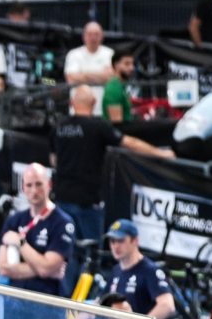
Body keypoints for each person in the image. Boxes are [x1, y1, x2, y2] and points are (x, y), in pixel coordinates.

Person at [51, 86, 172, 247]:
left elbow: (54, 161)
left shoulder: (57, 127)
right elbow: (129, 143)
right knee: (91, 252)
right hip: (88, 200)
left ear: (72, 103)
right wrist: (159, 153)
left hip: (62, 197)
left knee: (64, 249)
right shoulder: (98, 126)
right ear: (94, 103)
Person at [0, 163, 76, 319]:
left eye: (39, 184)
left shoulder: (62, 223)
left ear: (49, 186)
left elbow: (47, 267)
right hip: (16, 308)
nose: (34, 190)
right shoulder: (14, 221)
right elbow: (4, 268)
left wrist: (22, 246)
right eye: (29, 185)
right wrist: (43, 268)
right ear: (23, 188)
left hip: (47, 310)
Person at [48, 219, 176, 319]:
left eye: (120, 241)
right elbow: (96, 308)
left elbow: (167, 305)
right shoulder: (116, 271)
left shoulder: (149, 270)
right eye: (112, 241)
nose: (115, 246)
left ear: (135, 241)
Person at [64, 22, 114, 86]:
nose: (93, 38)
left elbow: (113, 77)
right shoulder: (73, 54)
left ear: (102, 37)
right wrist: (102, 75)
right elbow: (71, 78)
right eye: (89, 34)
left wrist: (83, 74)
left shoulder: (110, 54)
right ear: (84, 36)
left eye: (96, 34)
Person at [102, 50, 137, 123]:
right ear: (116, 65)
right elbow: (117, 123)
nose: (131, 68)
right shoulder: (113, 89)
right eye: (127, 64)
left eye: (132, 64)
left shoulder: (120, 86)